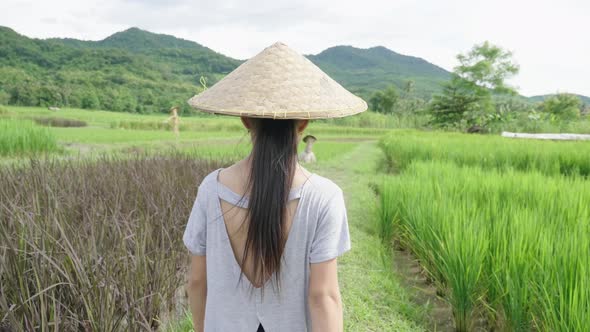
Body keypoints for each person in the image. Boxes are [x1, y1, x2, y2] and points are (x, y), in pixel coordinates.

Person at [182, 42, 367, 332]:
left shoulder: (212, 188)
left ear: (245, 120)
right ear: (304, 123)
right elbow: (323, 297)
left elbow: (196, 282)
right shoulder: (324, 197)